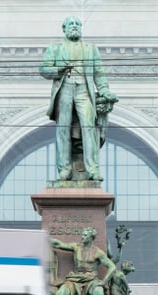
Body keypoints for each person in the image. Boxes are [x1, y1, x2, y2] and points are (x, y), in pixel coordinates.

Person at [39, 16, 116, 182]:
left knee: (89, 128)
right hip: (64, 88)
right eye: (71, 24)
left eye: (77, 24)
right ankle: (64, 170)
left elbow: (99, 72)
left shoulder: (91, 49)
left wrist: (104, 90)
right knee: (63, 130)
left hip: (84, 90)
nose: (74, 27)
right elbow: (44, 69)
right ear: (64, 29)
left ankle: (93, 170)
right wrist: (59, 69)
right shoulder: (55, 48)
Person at [50, 226, 116, 295]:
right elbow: (58, 244)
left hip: (92, 280)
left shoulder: (98, 252)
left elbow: (112, 267)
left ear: (91, 238)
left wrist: (103, 282)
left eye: (85, 235)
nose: (82, 237)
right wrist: (43, 239)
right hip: (75, 279)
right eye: (82, 235)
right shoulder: (76, 247)